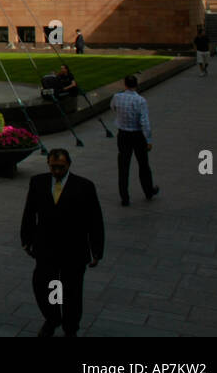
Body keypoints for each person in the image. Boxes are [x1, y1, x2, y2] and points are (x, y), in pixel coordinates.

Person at [20, 148, 103, 337]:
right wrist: (26, 239)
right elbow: (29, 212)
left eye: (61, 168)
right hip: (46, 248)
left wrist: (96, 250)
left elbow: (94, 219)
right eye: (53, 167)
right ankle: (53, 316)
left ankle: (70, 327)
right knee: (46, 285)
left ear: (69, 165)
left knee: (72, 291)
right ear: (48, 164)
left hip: (74, 249)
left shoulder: (84, 186)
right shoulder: (38, 182)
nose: (57, 171)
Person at [112, 74, 159, 207]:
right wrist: (148, 139)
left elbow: (113, 108)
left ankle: (124, 197)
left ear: (125, 84)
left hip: (123, 135)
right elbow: (144, 122)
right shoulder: (140, 100)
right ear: (136, 85)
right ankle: (148, 191)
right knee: (143, 164)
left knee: (123, 166)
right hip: (137, 135)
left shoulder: (117, 97)